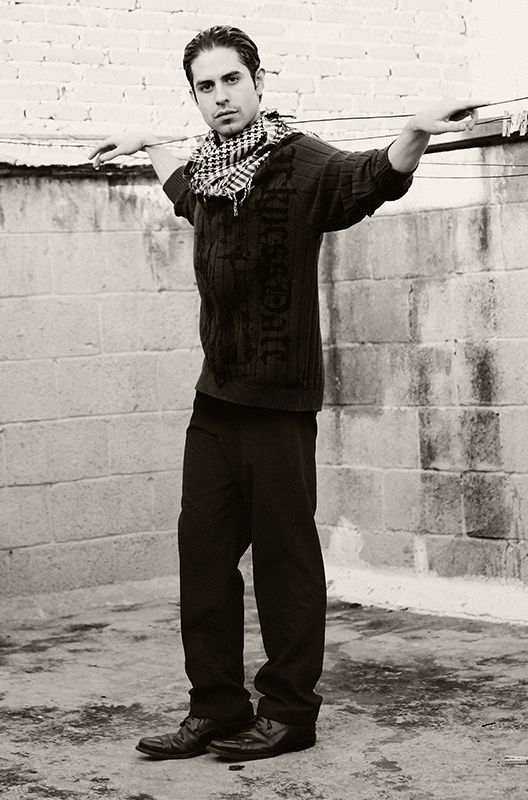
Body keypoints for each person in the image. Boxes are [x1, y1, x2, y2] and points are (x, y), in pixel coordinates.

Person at [89, 25, 480, 762]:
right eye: (205, 87)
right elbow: (185, 193)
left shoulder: (298, 162)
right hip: (216, 403)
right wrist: (149, 142)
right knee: (203, 558)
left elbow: (369, 178)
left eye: (231, 80)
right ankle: (216, 708)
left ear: (259, 82)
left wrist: (416, 132)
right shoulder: (210, 171)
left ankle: (290, 714)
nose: (220, 97)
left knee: (284, 563)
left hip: (279, 405)